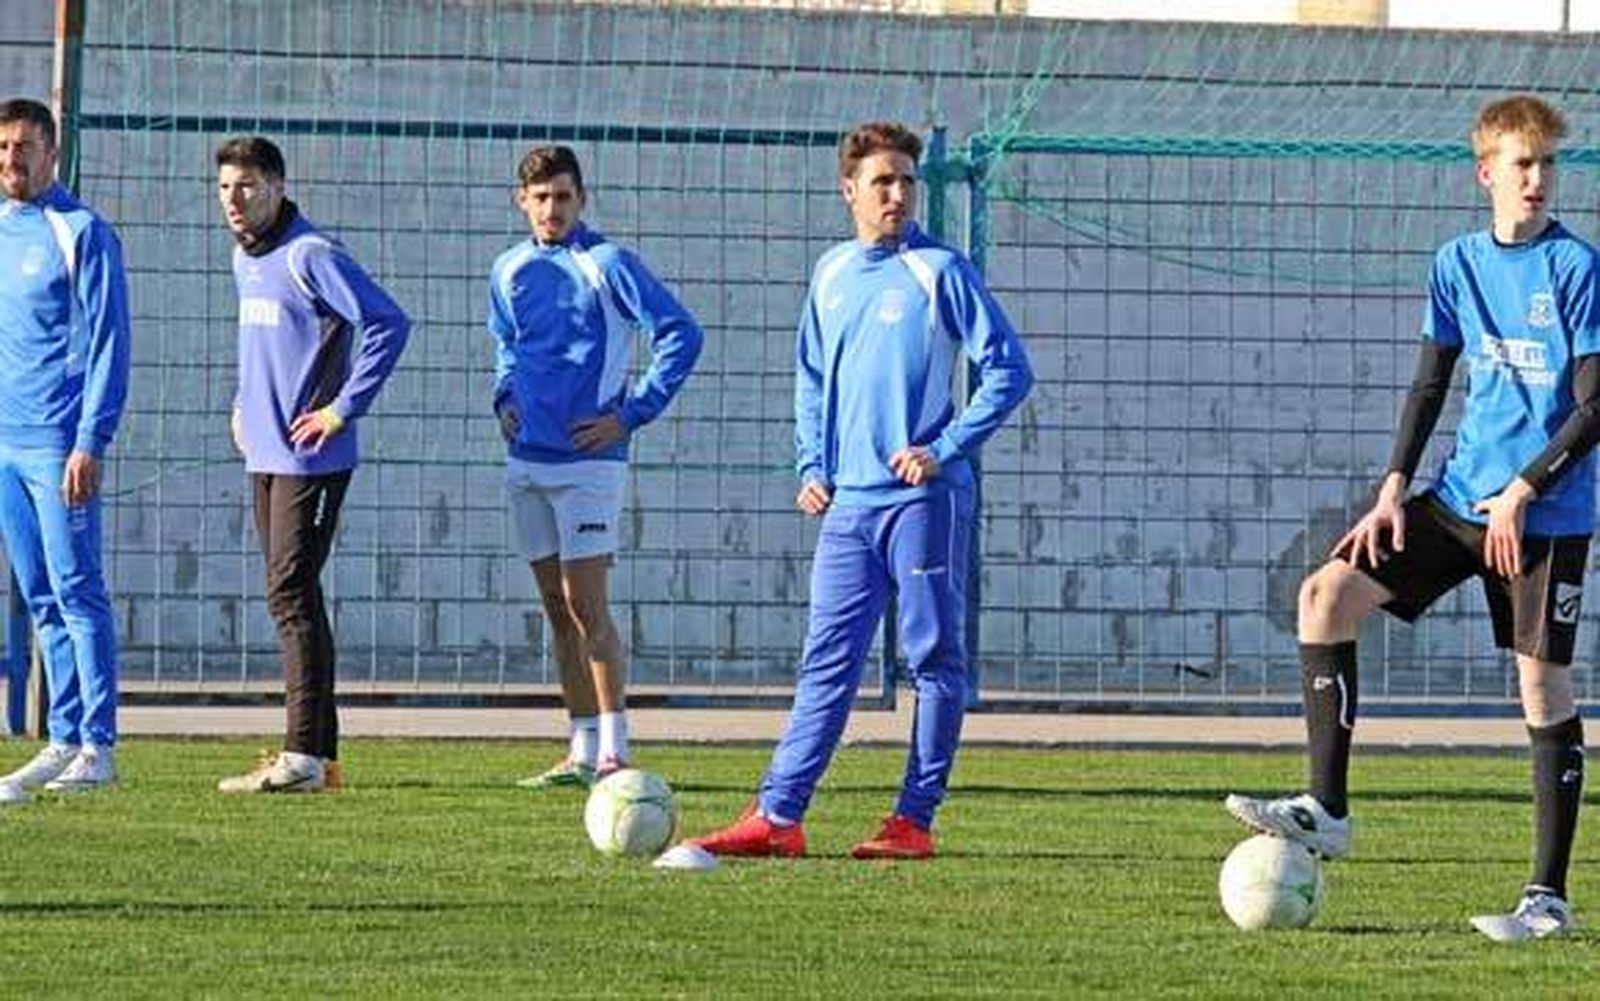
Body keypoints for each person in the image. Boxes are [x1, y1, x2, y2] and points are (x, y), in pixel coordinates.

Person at [1226, 95, 1598, 941]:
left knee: (1540, 684)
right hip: (1460, 498)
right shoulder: (1458, 262)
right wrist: (1394, 483)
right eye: (1522, 164)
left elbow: (1594, 405)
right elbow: (1431, 380)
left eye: (1548, 164)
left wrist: (1528, 488)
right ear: (1486, 172)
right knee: (1324, 596)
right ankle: (1327, 805)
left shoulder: (1577, 269)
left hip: (1545, 512)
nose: (1537, 179)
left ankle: (1548, 898)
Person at [689, 121, 1033, 860]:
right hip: (849, 508)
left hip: (922, 504)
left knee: (934, 658)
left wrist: (943, 449)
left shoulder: (941, 269)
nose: (899, 194)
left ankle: (914, 819)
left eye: (907, 181)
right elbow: (811, 377)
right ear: (850, 191)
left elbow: (1009, 370)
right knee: (827, 660)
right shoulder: (831, 273)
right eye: (883, 182)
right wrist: (811, 465)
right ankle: (779, 816)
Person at [488, 145, 703, 788]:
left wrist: (632, 414)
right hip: (526, 462)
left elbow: (681, 334)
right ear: (521, 202)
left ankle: (617, 748)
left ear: (581, 200)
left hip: (589, 463)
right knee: (555, 607)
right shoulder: (508, 268)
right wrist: (503, 396)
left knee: (588, 606)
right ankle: (581, 748)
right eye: (540, 197)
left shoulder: (608, 263)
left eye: (563, 196)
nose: (551, 208)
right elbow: (506, 343)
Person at [213, 136, 410, 794]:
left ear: (276, 185)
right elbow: (266, 345)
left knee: (289, 591)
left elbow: (388, 321)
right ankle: (320, 759)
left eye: (246, 186)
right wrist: (243, 401)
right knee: (294, 593)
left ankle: (299, 754)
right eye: (224, 189)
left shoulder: (311, 254)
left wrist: (342, 408)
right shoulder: (247, 260)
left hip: (313, 456)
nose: (233, 201)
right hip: (265, 453)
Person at [0, 98, 130, 804]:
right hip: (5, 446)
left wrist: (90, 439)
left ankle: (99, 745)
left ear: (52, 152)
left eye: (24, 147)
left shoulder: (81, 231)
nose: (11, 161)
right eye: (1, 148)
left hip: (58, 443)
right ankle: (62, 737)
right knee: (40, 593)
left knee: (79, 589)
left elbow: (111, 345)